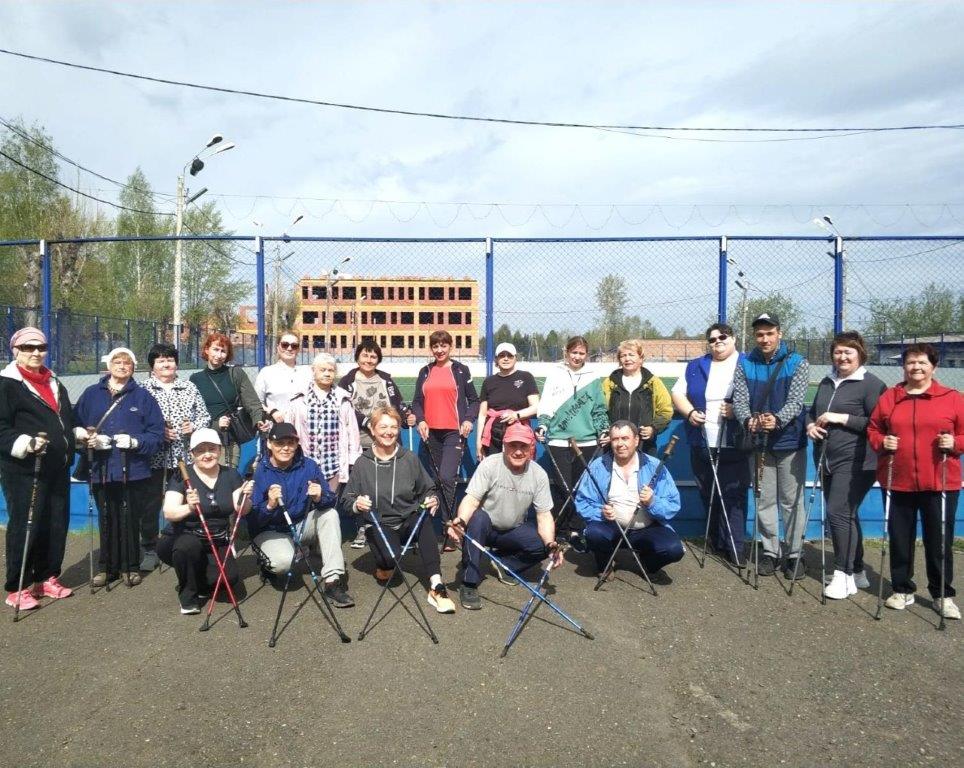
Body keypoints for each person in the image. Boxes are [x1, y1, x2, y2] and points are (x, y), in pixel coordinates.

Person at [867, 343, 963, 619]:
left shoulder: (952, 398)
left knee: (939, 540)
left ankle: (942, 594)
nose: (916, 368)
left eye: (922, 362)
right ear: (904, 367)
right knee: (900, 537)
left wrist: (954, 442)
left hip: (940, 481)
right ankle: (902, 588)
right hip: (897, 479)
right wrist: (882, 441)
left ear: (934, 366)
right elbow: (874, 430)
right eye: (911, 363)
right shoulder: (891, 397)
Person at [341, 406, 455, 614]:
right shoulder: (362, 463)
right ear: (373, 430)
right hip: (380, 524)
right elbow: (346, 500)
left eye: (394, 426)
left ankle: (437, 586)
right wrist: (357, 505)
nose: (389, 431)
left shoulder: (409, 458)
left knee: (423, 520)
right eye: (383, 426)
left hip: (408, 520)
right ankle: (384, 565)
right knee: (390, 563)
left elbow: (428, 488)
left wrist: (432, 499)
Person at [447, 422, 563, 611]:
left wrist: (552, 544)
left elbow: (544, 516)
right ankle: (469, 583)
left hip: (513, 530)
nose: (518, 452)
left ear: (531, 447)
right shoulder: (490, 465)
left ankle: (503, 563)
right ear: (504, 445)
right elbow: (471, 500)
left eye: (523, 446)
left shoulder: (539, 475)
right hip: (484, 528)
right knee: (477, 518)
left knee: (544, 543)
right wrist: (460, 522)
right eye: (513, 446)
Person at [74, 347, 165, 588]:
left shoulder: (143, 397)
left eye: (127, 363)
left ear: (133, 368)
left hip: (133, 469)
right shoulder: (91, 394)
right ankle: (107, 567)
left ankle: (131, 566)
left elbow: (156, 434)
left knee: (129, 517)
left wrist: (136, 442)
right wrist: (85, 437)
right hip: (100, 468)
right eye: (118, 362)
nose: (122, 366)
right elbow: (74, 424)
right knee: (106, 517)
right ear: (109, 365)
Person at [806, 332, 886, 599]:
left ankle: (843, 574)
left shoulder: (871, 385)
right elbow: (813, 412)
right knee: (847, 514)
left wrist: (840, 417)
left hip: (858, 461)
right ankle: (858, 570)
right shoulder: (828, 382)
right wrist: (810, 426)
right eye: (838, 352)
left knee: (837, 512)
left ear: (860, 354)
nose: (842, 357)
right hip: (827, 459)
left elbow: (877, 424)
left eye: (848, 352)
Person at [0, 327, 75, 611]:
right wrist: (24, 442)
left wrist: (76, 435)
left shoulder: (55, 381)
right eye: (28, 348)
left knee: (56, 523)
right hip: (24, 469)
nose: (35, 353)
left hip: (57, 465)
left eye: (40, 348)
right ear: (15, 351)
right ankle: (17, 587)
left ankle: (46, 577)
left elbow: (65, 419)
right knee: (26, 525)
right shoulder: (6, 384)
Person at [732, 313, 811, 580]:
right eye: (760, 334)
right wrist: (749, 420)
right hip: (759, 444)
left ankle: (794, 554)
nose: (764, 339)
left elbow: (796, 402)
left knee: (791, 502)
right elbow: (740, 400)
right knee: (764, 501)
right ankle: (770, 552)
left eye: (769, 333)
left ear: (779, 333)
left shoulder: (797, 362)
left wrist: (776, 419)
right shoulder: (745, 364)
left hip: (790, 442)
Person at [249, 422, 354, 608]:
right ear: (269, 444)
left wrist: (320, 496)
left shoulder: (309, 466)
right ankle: (267, 565)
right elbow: (253, 520)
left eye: (291, 443)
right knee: (282, 563)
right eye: (280, 443)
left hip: (301, 525)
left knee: (330, 515)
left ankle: (332, 581)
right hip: (272, 530)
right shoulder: (260, 471)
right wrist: (270, 505)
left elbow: (330, 501)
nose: (286, 448)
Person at [671, 323, 749, 565]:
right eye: (712, 339)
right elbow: (677, 394)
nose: (717, 342)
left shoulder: (748, 363)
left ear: (733, 338)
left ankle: (735, 547)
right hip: (702, 441)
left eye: (722, 337)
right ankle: (716, 541)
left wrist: (738, 411)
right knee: (709, 493)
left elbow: (757, 396)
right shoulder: (696, 366)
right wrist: (690, 412)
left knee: (733, 496)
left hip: (734, 442)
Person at [574, 420, 684, 582]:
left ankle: (647, 563)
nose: (620, 444)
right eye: (615, 439)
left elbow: (672, 504)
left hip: (646, 528)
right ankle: (605, 564)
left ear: (636, 440)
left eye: (625, 438)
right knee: (593, 534)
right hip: (610, 526)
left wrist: (653, 501)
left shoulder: (654, 466)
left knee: (673, 549)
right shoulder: (598, 466)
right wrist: (601, 512)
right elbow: (582, 502)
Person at [159, 428, 253, 615]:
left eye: (212, 448)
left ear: (219, 450)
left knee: (229, 579)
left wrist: (245, 497)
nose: (207, 454)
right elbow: (169, 513)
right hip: (183, 537)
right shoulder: (181, 476)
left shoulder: (231, 474)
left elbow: (242, 509)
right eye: (201, 450)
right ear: (192, 453)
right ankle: (188, 597)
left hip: (216, 539)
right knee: (188, 547)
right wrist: (189, 508)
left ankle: (195, 577)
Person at [142, 343, 211, 571]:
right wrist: (158, 432)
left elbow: (204, 417)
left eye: (170, 359)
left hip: (183, 458)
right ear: (152, 366)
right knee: (151, 502)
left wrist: (193, 426)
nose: (166, 364)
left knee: (183, 501)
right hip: (154, 458)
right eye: (160, 361)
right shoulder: (144, 390)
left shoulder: (189, 388)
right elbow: (138, 422)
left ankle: (178, 542)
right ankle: (150, 547)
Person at [338, 340, 413, 548]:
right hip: (360, 443)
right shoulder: (347, 381)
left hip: (387, 442)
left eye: (373, 356)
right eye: (365, 355)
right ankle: (363, 528)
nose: (369, 360)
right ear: (357, 357)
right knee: (363, 486)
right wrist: (366, 422)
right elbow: (344, 407)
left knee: (387, 485)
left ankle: (390, 525)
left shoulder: (386, 380)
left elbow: (397, 403)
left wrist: (407, 416)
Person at [536, 335, 609, 547]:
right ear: (566, 353)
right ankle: (559, 529)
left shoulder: (594, 377)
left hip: (587, 441)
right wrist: (543, 424)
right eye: (573, 352)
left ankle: (576, 530)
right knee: (562, 487)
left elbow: (598, 408)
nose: (577, 357)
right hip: (558, 440)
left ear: (587, 355)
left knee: (581, 487)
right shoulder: (555, 374)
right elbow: (547, 404)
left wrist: (602, 429)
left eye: (581, 353)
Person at [412, 329, 480, 523]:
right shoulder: (425, 371)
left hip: (453, 433)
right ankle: (439, 525)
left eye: (443, 345)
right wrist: (421, 420)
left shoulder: (461, 370)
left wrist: (468, 419)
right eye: (435, 346)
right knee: (437, 480)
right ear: (431, 348)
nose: (439, 350)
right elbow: (417, 402)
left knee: (447, 478)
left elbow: (474, 400)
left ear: (451, 346)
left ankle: (449, 527)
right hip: (431, 434)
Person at [286, 353, 361, 494]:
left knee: (329, 507)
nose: (327, 374)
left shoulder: (343, 399)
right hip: (304, 465)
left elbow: (352, 431)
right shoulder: (299, 399)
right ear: (313, 370)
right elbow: (289, 429)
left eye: (331, 370)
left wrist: (353, 459)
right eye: (323, 370)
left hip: (334, 467)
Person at [190, 332, 265, 469]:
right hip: (204, 441)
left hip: (229, 440)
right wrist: (216, 424)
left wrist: (258, 419)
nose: (219, 355)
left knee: (228, 482)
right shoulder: (195, 379)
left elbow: (252, 402)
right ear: (207, 350)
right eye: (215, 349)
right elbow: (193, 414)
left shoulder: (236, 374)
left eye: (223, 351)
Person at [602, 339, 672, 455]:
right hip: (616, 445)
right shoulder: (610, 382)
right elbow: (600, 409)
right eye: (623, 355)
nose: (627, 359)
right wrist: (605, 431)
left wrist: (653, 429)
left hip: (644, 445)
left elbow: (666, 411)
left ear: (641, 358)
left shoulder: (653, 382)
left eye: (631, 355)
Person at [476, 342, 540, 460]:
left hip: (518, 433)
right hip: (493, 434)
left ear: (515, 358)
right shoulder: (489, 382)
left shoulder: (526, 377)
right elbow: (482, 414)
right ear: (496, 359)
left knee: (518, 470)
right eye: (502, 355)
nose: (506, 359)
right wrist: (478, 442)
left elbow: (536, 407)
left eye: (509, 356)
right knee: (494, 470)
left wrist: (516, 415)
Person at [254, 331, 311, 427]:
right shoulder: (266, 373)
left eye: (294, 346)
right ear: (278, 347)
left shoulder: (308, 372)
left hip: (304, 430)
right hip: (278, 431)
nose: (289, 348)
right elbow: (256, 402)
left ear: (298, 350)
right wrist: (272, 411)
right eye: (285, 345)